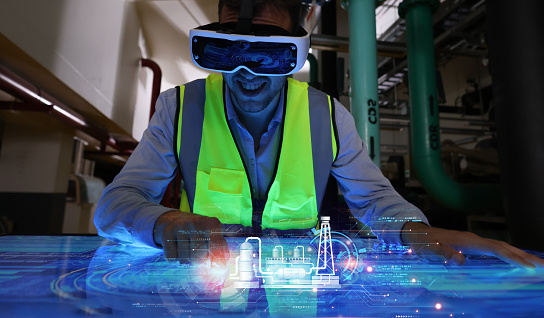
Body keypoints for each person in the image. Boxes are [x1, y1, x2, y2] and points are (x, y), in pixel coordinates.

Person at [95, 0, 544, 270]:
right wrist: (162, 222)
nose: (246, 72)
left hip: (298, 293)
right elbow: (114, 207)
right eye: (231, 51)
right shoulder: (179, 108)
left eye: (267, 53)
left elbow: (376, 203)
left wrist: (411, 231)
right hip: (210, 288)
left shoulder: (328, 116)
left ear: (296, 49)